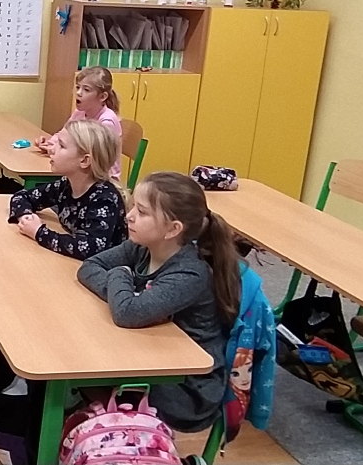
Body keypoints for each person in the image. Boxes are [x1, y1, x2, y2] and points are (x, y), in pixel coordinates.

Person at [77, 171, 241, 432]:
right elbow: (89, 267)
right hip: (151, 357)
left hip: (185, 388)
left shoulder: (190, 273)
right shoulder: (142, 247)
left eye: (142, 212)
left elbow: (127, 314)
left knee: (77, 370)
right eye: (133, 206)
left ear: (173, 229)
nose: (129, 216)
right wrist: (123, 295)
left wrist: (121, 276)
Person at [7, 119, 125, 260]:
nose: (51, 149)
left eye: (61, 146)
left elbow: (88, 248)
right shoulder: (66, 185)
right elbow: (22, 196)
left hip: (104, 268)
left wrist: (39, 232)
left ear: (84, 161)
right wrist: (26, 217)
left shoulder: (105, 200)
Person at [39, 66, 124, 179]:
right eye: (78, 87)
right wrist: (50, 144)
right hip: (83, 171)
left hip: (103, 177)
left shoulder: (107, 122)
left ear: (102, 97)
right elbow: (63, 134)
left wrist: (54, 150)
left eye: (86, 90)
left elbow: (96, 160)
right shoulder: (80, 113)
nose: (78, 93)